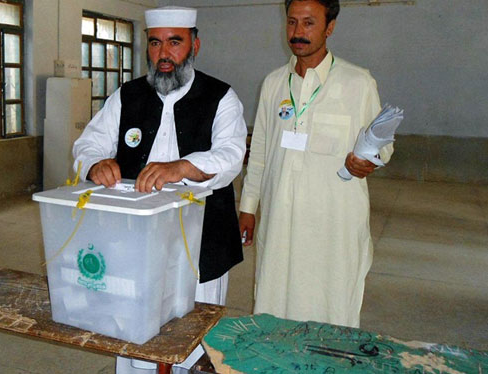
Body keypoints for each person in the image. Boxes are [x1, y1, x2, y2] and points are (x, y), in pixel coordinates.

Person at [72, 6, 247, 373]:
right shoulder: (127, 96)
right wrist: (94, 163)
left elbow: (231, 156)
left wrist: (182, 167)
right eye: (155, 43)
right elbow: (87, 145)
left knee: (194, 341)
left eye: (174, 42)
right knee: (133, 333)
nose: (164, 53)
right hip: (135, 244)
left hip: (202, 245)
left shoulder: (221, 97)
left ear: (194, 45)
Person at [239, 0, 394, 328]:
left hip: (333, 223)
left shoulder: (358, 82)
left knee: (331, 304)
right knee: (273, 302)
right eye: (292, 22)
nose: (298, 32)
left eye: (309, 23)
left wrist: (369, 161)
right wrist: (249, 206)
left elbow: (383, 146)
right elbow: (262, 151)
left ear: (330, 27)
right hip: (280, 218)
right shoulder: (274, 83)